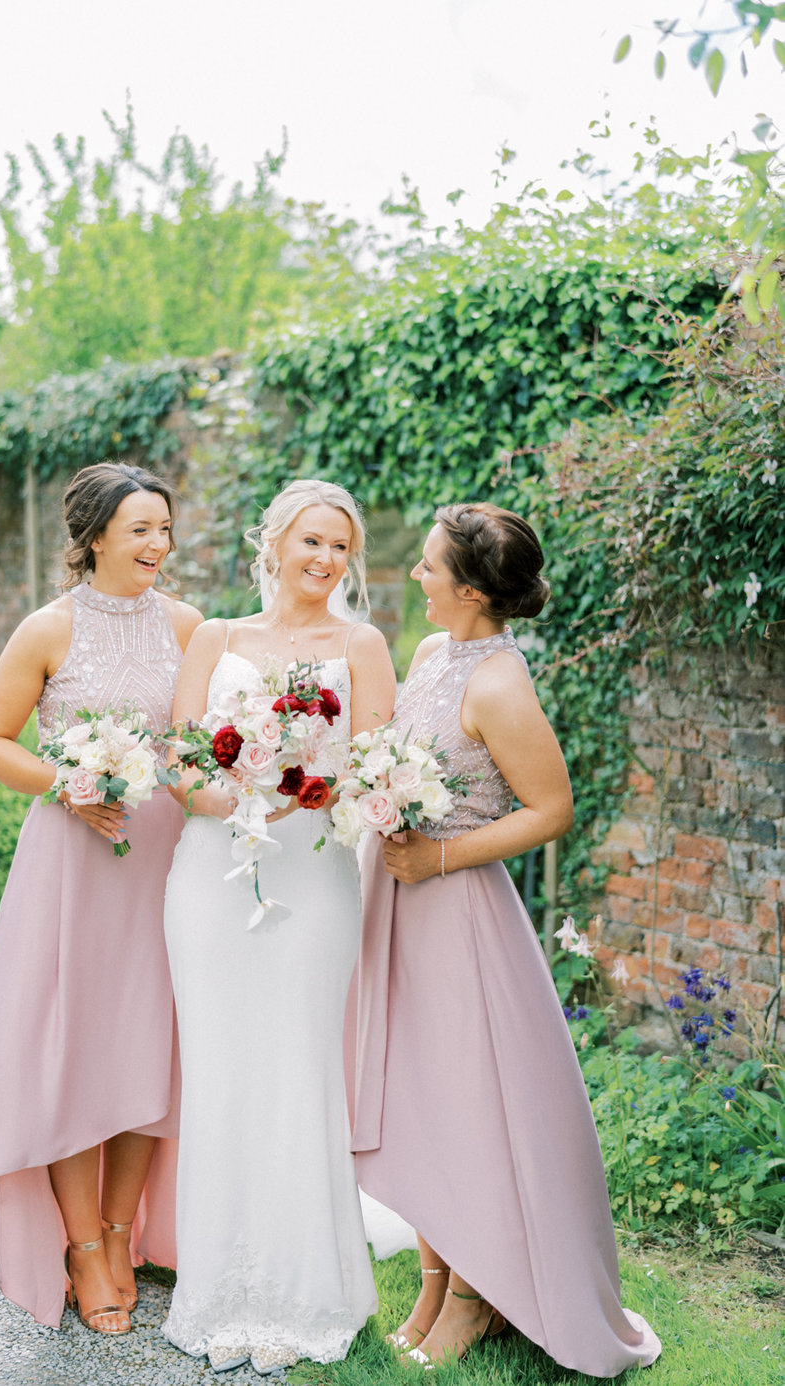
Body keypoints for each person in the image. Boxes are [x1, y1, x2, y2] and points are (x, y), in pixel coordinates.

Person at [352, 502, 662, 1377]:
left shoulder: (499, 685)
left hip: (459, 917)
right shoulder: (429, 654)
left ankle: (476, 1301)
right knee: (417, 1100)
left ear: (472, 589)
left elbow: (552, 810)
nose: (414, 576)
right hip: (401, 904)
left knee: (467, 1107)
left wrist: (440, 853)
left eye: (426, 567)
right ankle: (433, 1280)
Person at [0, 461, 202, 1333]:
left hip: (165, 861)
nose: (159, 546)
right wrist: (66, 784)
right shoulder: (47, 630)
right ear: (93, 539)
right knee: (77, 1051)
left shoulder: (191, 628)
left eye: (164, 529)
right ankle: (81, 1245)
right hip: (72, 866)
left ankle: (123, 1232)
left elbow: (200, 748)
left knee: (146, 1049)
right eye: (140, 531)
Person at [161, 478, 395, 1375]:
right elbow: (178, 756)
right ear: (275, 544)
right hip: (212, 875)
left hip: (312, 873)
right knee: (221, 1071)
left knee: (299, 1066)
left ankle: (306, 1295)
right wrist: (228, 795)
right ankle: (221, 1290)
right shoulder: (216, 639)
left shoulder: (361, 643)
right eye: (313, 542)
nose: (327, 561)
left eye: (341, 548)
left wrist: (318, 787)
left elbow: (376, 768)